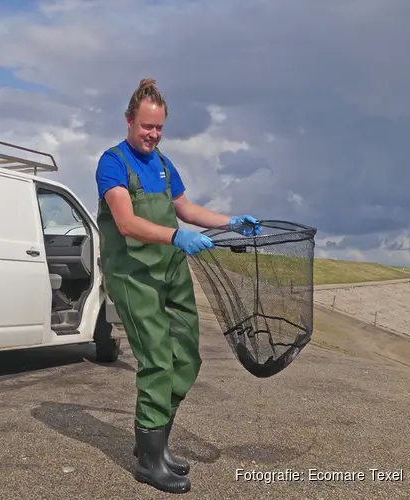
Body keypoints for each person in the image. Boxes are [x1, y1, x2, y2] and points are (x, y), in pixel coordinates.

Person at [95, 78, 260, 494]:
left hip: (170, 270)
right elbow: (127, 222)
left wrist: (231, 221)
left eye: (159, 128)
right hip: (134, 275)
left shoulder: (165, 165)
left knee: (186, 358)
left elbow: (185, 208)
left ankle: (156, 444)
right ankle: (149, 461)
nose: (152, 134)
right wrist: (176, 236)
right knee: (157, 361)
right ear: (129, 120)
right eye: (146, 126)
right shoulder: (113, 162)